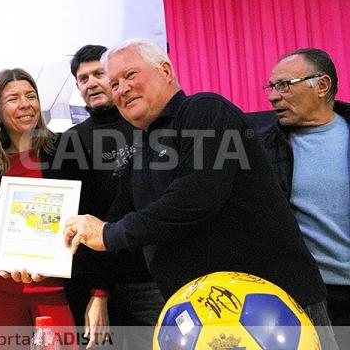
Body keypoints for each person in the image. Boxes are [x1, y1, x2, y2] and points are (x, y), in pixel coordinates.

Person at [63, 39, 338, 349]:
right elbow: (109, 229)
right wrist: (42, 258)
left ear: (165, 70)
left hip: (276, 311)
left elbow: (195, 198)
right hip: (207, 324)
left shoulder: (205, 110)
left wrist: (110, 234)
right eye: (114, 83)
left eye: (130, 75)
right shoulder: (140, 156)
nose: (121, 89)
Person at [65, 44, 164, 349]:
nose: (91, 82)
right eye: (83, 79)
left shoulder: (149, 126)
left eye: (98, 74)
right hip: (99, 287)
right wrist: (99, 291)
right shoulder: (71, 141)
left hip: (152, 279)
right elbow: (78, 215)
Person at [251, 48, 349, 346]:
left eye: (284, 85)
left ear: (322, 86)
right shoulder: (260, 148)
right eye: (271, 87)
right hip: (308, 298)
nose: (272, 96)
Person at [0, 68, 80, 350]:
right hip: (0, 291)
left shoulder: (66, 152)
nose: (25, 104)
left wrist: (99, 290)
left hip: (55, 292)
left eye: (31, 96)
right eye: (13, 98)